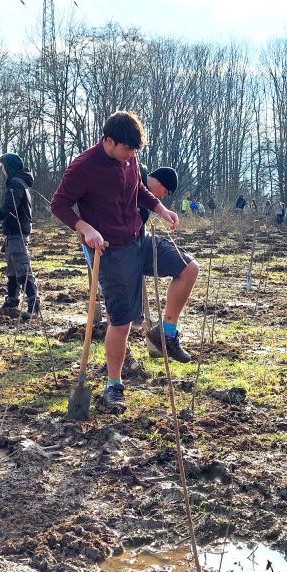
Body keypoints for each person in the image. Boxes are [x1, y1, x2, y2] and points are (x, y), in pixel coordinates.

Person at [50, 111, 197, 413]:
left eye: (135, 151)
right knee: (122, 321)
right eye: (127, 149)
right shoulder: (83, 166)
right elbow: (59, 204)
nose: (131, 156)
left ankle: (165, 332)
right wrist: (86, 228)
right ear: (108, 141)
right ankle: (114, 384)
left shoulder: (130, 160)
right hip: (111, 251)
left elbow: (139, 190)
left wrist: (160, 208)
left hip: (139, 239)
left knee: (188, 267)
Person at [0, 153, 40, 319]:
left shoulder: (15, 183)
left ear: (8, 166)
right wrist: (0, 225)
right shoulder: (19, 182)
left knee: (22, 268)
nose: (2, 170)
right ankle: (12, 301)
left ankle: (34, 304)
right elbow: (15, 212)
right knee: (12, 269)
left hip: (17, 233)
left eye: (3, 166)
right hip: (13, 232)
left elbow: (11, 208)